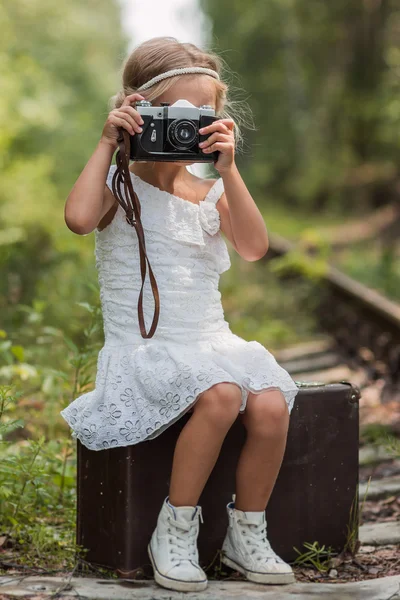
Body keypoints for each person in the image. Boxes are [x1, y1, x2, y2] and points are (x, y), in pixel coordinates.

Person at [60, 36, 299, 593]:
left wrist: (229, 168)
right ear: (137, 111)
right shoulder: (119, 185)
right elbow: (76, 218)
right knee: (220, 393)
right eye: (175, 117)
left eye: (203, 116)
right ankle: (176, 528)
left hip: (210, 340)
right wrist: (106, 142)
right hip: (144, 347)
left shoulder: (209, 190)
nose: (188, 129)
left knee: (267, 404)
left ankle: (247, 533)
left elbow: (256, 247)